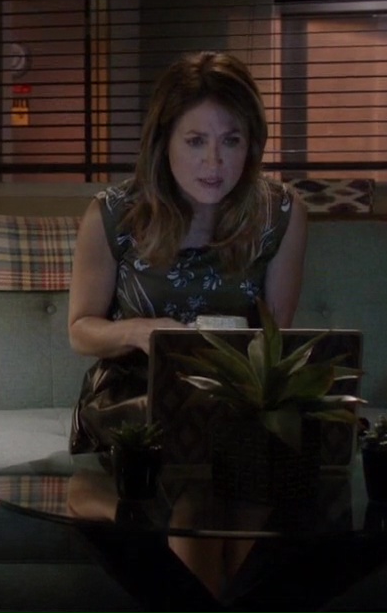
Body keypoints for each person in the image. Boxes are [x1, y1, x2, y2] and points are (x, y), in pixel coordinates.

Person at [66, 50, 308, 596]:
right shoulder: (114, 213)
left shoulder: (281, 214)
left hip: (235, 392)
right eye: (196, 141)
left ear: (252, 144)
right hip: (135, 391)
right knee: (201, 469)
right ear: (164, 142)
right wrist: (140, 332)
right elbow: (80, 330)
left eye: (231, 141)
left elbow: (273, 339)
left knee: (258, 469)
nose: (214, 162)